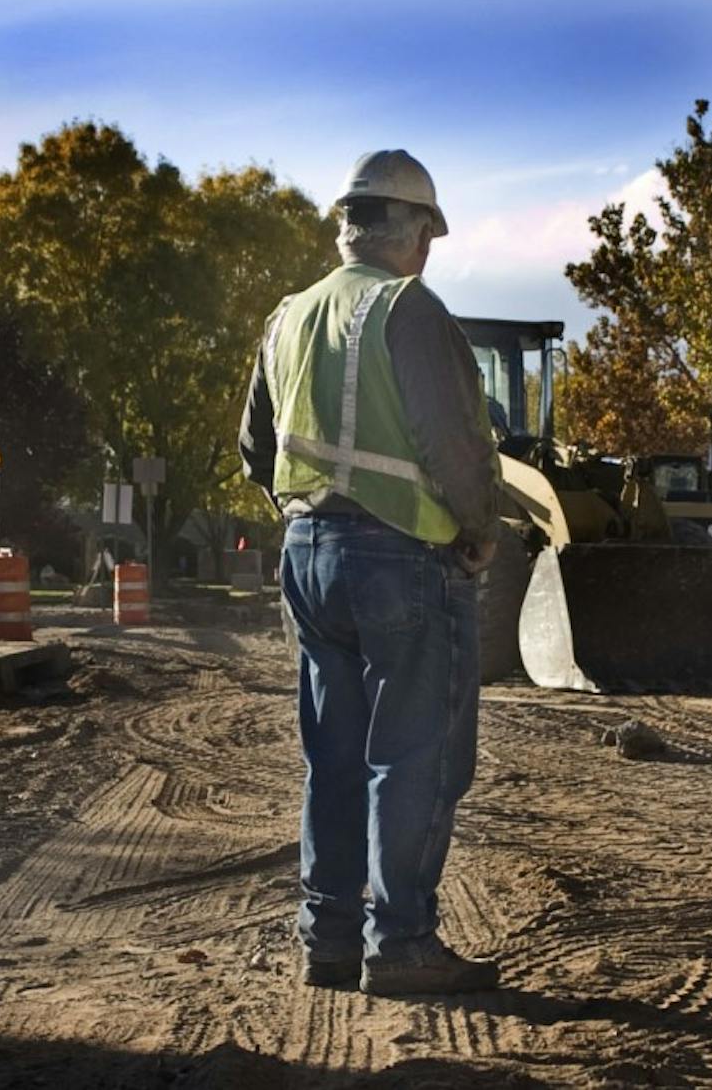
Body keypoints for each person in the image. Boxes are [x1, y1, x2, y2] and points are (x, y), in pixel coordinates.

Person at [239, 150, 500, 996]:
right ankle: (402, 942)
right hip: (402, 561)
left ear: (348, 223)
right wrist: (477, 532)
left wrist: (308, 509)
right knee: (412, 758)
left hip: (309, 557)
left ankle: (330, 940)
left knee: (335, 756)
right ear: (414, 233)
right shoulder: (407, 310)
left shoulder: (289, 315)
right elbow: (455, 446)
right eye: (429, 230)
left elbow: (255, 445)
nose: (429, 249)